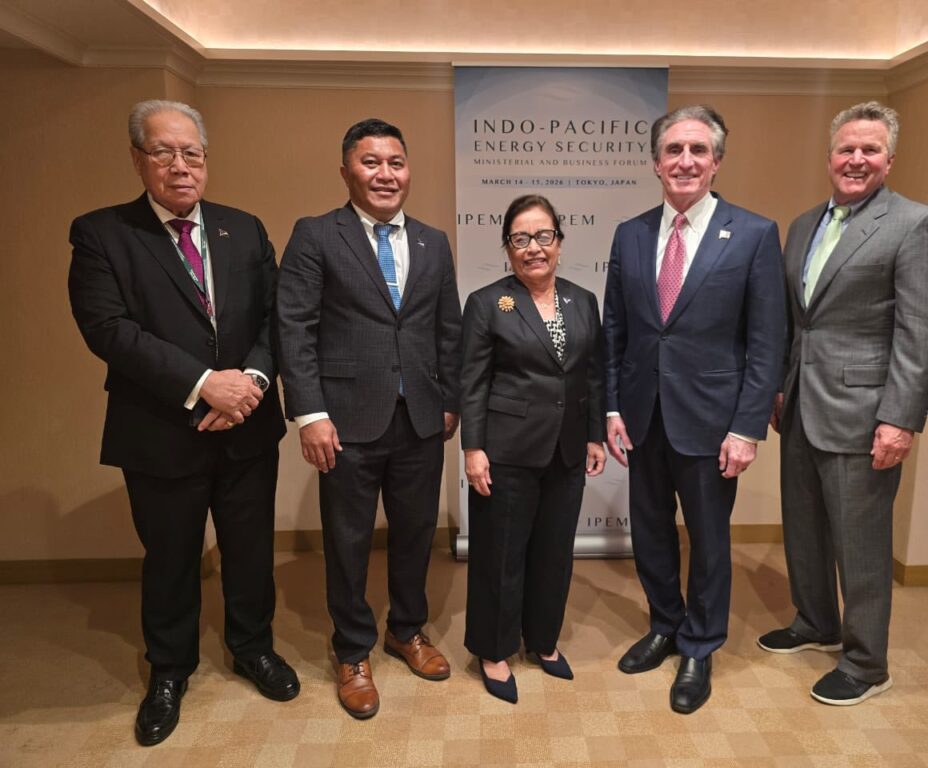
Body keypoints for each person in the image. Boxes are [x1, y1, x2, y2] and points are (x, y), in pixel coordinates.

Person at [68, 100, 298, 747]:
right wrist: (204, 386)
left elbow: (274, 320)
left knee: (251, 552)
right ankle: (169, 670)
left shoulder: (243, 230)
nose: (180, 166)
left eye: (191, 152)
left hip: (247, 428)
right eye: (164, 151)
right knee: (170, 558)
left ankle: (253, 649)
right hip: (161, 429)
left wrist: (249, 383)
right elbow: (107, 329)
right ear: (138, 158)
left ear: (205, 159)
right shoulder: (101, 233)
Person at [757, 101, 928, 706]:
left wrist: (900, 418)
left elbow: (923, 332)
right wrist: (781, 385)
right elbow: (800, 321)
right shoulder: (804, 224)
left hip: (866, 415)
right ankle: (816, 623)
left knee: (861, 544)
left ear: (890, 159)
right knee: (805, 528)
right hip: (801, 406)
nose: (856, 159)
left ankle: (867, 662)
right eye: (846, 149)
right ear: (830, 157)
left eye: (870, 150)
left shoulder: (916, 225)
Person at [275, 118, 462, 720]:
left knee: (414, 534)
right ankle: (352, 649)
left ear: (409, 171)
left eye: (396, 163)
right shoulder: (316, 235)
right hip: (344, 420)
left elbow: (447, 329)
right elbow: (294, 329)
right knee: (348, 542)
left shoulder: (433, 242)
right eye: (372, 162)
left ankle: (406, 630)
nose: (386, 174)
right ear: (346, 171)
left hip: (421, 419)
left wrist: (451, 397)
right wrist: (309, 414)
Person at [603, 105, 785, 714]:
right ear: (656, 161)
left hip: (713, 423)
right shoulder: (629, 233)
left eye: (698, 151)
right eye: (674, 150)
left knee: (708, 542)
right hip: (642, 415)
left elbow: (766, 341)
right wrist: (610, 408)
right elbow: (615, 331)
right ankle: (664, 624)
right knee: (650, 532)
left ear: (716, 161)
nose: (685, 161)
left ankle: (700, 646)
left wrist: (746, 426)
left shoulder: (755, 233)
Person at [461, 195, 606, 704]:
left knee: (553, 554)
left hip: (566, 451)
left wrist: (593, 434)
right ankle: (494, 649)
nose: (533, 248)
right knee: (500, 555)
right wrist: (473, 448)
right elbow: (473, 382)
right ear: (507, 249)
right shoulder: (487, 302)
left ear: (560, 244)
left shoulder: (582, 300)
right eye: (520, 239)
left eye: (543, 236)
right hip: (506, 451)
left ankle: (542, 640)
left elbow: (592, 374)